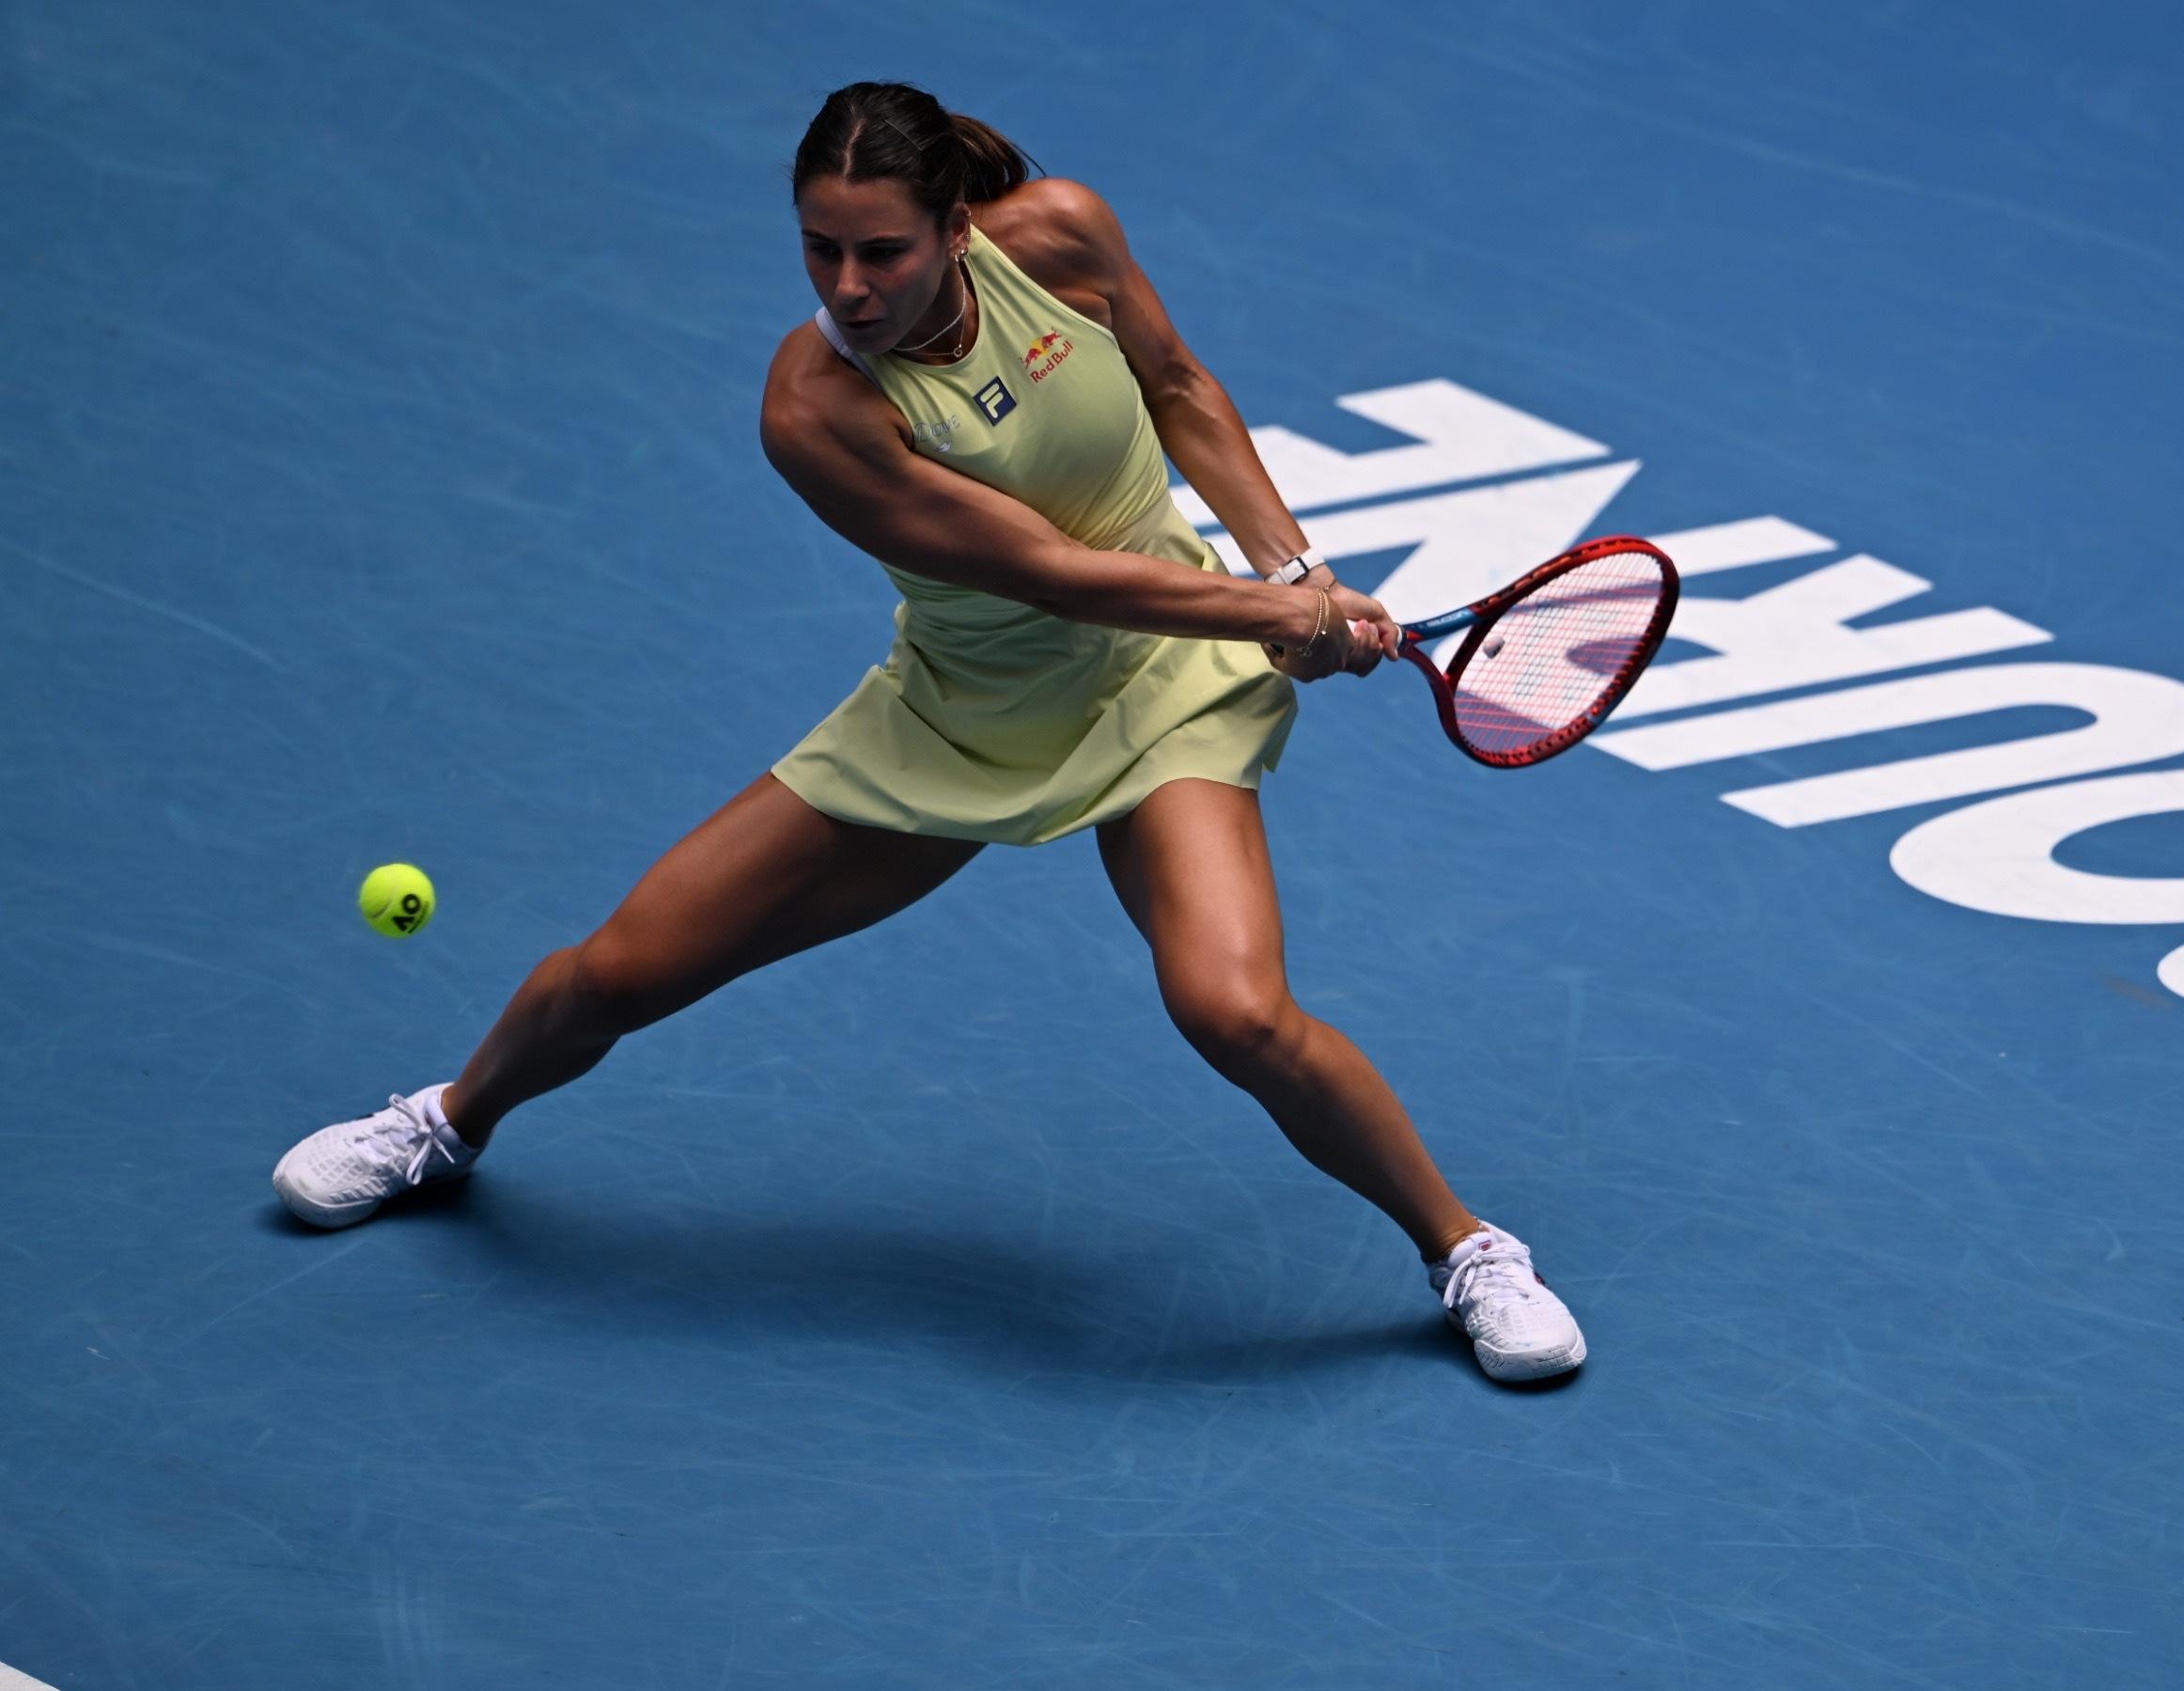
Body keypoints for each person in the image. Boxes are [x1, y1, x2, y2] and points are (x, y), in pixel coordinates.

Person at [270, 82, 1584, 1383]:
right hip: (965, 716)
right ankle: (447, 1120)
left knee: (1233, 1009)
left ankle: (1469, 1250)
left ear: (958, 228)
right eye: (820, 249)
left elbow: (1179, 385)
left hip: (1163, 684)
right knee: (619, 970)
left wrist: (1295, 573)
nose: (848, 287)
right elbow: (1051, 573)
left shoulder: (1061, 237)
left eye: (882, 251)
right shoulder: (815, 409)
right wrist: (1272, 613)